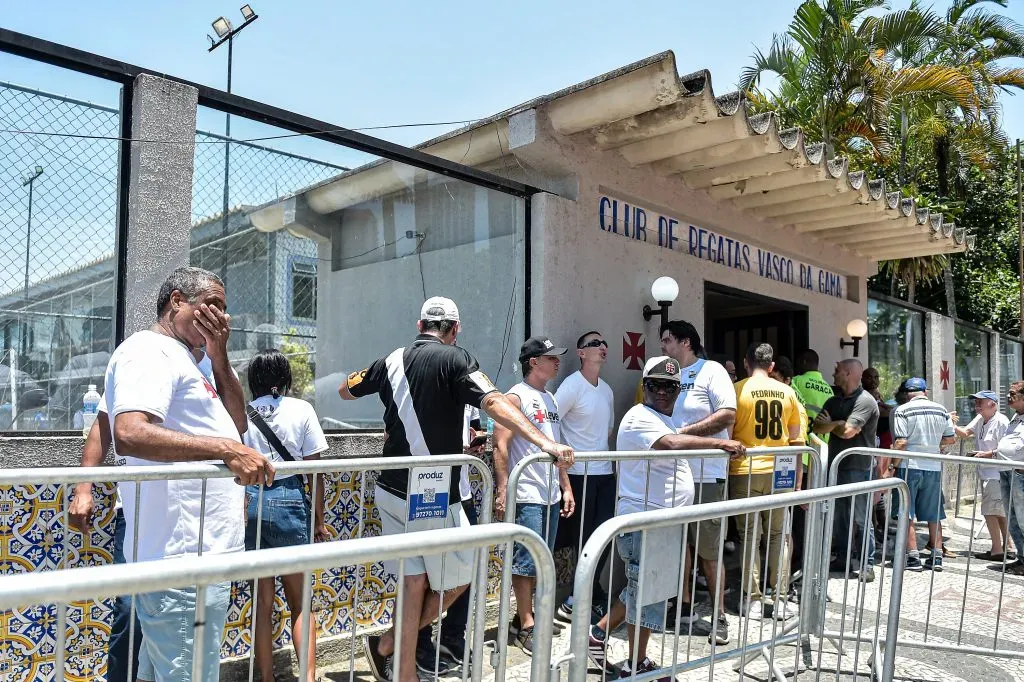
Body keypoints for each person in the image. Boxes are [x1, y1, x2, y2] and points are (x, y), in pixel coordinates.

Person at [339, 297, 574, 682]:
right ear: (454, 328)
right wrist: (545, 443)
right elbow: (494, 400)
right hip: (431, 492)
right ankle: (387, 645)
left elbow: (346, 391)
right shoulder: (456, 359)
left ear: (420, 325)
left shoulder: (389, 361)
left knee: (415, 579)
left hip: (391, 486)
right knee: (462, 576)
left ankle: (403, 670)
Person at [105, 266, 274, 682]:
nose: (222, 318)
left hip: (201, 558)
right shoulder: (148, 351)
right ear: (176, 301)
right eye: (211, 307)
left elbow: (237, 424)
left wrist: (219, 355)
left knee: (161, 672)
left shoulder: (192, 361)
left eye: (225, 311)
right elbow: (128, 432)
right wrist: (225, 450)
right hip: (182, 560)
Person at [70, 348, 217, 682]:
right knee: (130, 609)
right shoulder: (141, 360)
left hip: (195, 516)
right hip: (138, 512)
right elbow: (103, 427)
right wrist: (83, 487)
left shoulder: (213, 369)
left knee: (189, 615)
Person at [615, 357, 745, 677]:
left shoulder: (663, 419)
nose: (664, 392)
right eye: (657, 385)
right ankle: (635, 663)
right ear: (645, 387)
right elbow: (670, 445)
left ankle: (602, 637)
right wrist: (720, 442)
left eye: (671, 387)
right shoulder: (641, 415)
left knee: (641, 592)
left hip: (660, 523)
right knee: (645, 598)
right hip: (644, 523)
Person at [243, 349, 330, 682]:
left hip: (250, 501)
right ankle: (307, 678)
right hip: (290, 500)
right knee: (300, 602)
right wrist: (319, 520)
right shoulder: (301, 409)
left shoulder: (244, 413)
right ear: (285, 378)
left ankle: (265, 678)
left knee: (262, 604)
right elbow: (316, 472)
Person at [493, 336, 576, 653]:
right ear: (533, 362)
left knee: (542, 558)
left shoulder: (551, 399)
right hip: (527, 490)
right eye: (550, 357)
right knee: (526, 560)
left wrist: (565, 486)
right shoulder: (515, 397)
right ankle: (526, 624)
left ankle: (527, 617)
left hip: (549, 492)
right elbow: (500, 444)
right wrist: (503, 487)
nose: (557, 362)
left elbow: (557, 447)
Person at [659, 320, 735, 644]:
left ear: (685, 342)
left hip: (706, 472)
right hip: (672, 472)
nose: (662, 346)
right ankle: (684, 605)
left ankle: (719, 615)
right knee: (679, 544)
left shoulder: (712, 371)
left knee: (708, 548)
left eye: (666, 340)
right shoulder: (668, 374)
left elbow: (728, 413)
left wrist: (684, 434)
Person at [729, 343, 804, 621]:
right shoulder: (788, 392)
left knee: (749, 536)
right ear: (772, 366)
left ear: (747, 363)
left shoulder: (738, 389)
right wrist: (798, 480)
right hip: (781, 470)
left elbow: (729, 433)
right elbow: (797, 439)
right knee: (777, 536)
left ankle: (754, 599)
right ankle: (780, 597)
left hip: (746, 469)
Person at [553, 331, 616, 627]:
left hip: (605, 474)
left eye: (604, 343)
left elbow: (608, 432)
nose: (602, 348)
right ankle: (577, 599)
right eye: (594, 344)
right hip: (579, 476)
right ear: (581, 353)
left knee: (603, 538)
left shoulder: (607, 390)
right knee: (583, 540)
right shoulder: (571, 386)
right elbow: (553, 425)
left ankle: (584, 594)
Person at [416, 404, 486, 671]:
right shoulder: (425, 384)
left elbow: (476, 427)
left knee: (469, 571)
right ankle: (417, 641)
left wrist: (476, 442)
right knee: (425, 576)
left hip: (463, 494)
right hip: (428, 494)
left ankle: (452, 635)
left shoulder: (469, 392)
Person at [813, 359, 880, 581]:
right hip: (837, 465)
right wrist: (836, 424)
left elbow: (848, 432)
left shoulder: (865, 401)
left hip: (859, 467)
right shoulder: (833, 400)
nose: (833, 373)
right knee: (840, 516)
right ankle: (843, 557)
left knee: (860, 517)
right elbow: (817, 427)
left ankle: (866, 563)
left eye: (837, 370)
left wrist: (835, 423)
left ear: (849, 373)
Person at [889, 377, 956, 572]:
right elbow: (950, 439)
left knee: (906, 513)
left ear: (907, 393)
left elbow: (901, 443)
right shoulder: (941, 410)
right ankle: (936, 557)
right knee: (934, 515)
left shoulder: (902, 410)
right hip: (933, 467)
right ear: (925, 392)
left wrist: (893, 466)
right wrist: (933, 444)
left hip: (909, 465)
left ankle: (913, 558)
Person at [952, 390, 1013, 561]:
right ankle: (1008, 546)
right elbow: (964, 433)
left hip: (997, 472)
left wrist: (986, 454)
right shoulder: (980, 418)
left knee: (990, 511)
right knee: (998, 511)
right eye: (976, 401)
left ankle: (997, 549)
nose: (976, 404)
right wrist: (950, 423)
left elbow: (1005, 450)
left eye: (981, 401)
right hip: (986, 472)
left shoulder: (1001, 422)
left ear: (993, 404)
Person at [994, 381, 1024, 575]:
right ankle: (1022, 557)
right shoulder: (1015, 417)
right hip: (1006, 471)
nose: (1008, 396)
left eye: (1013, 393)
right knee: (1012, 518)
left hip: (1019, 473)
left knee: (1023, 518)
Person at [793, 350, 834, 439]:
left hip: (802, 440)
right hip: (822, 442)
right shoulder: (829, 389)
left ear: (803, 362)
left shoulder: (796, 381)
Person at [863, 367, 893, 449]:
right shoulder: (861, 395)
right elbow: (878, 412)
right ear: (862, 379)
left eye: (876, 377)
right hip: (868, 443)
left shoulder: (877, 396)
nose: (873, 380)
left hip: (884, 444)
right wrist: (889, 410)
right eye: (869, 377)